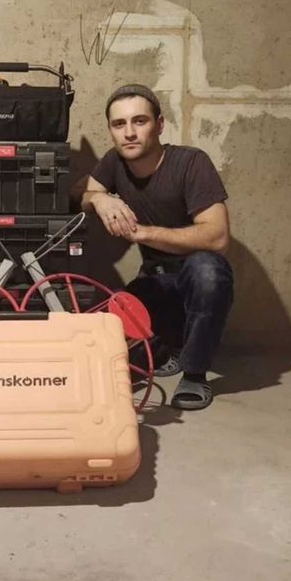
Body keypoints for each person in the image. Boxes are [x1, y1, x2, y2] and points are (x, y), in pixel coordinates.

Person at [80, 84, 233, 410]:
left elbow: (217, 236)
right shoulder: (115, 162)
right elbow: (77, 195)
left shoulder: (191, 162)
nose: (129, 133)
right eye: (119, 124)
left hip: (193, 277)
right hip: (156, 279)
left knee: (207, 271)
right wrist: (100, 199)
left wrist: (144, 234)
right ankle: (168, 350)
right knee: (108, 316)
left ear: (159, 125)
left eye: (140, 121)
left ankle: (194, 373)